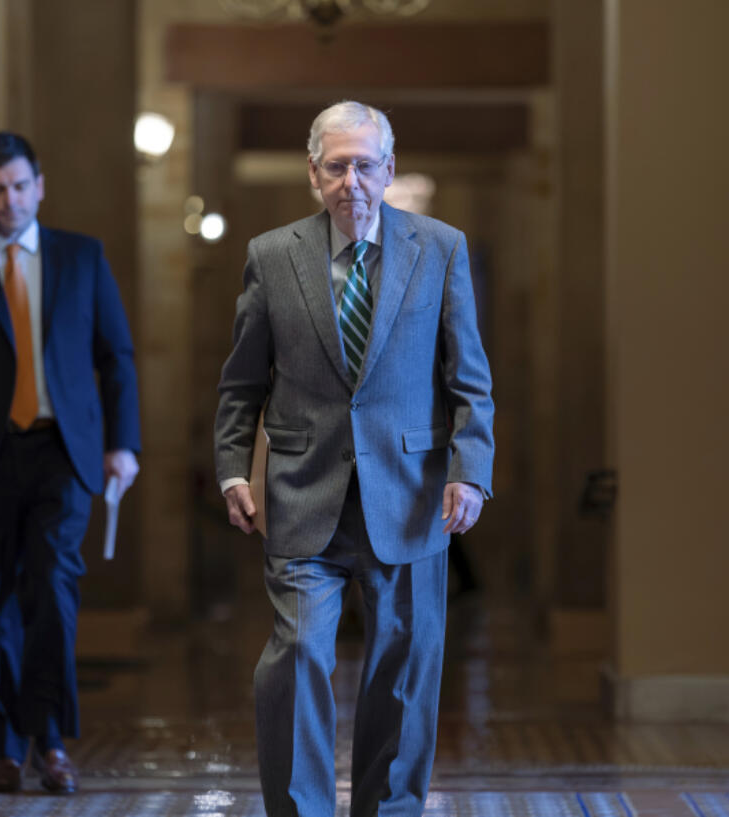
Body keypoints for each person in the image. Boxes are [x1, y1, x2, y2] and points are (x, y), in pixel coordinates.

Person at [214, 101, 495, 817]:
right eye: (336, 166)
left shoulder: (441, 248)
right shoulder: (272, 256)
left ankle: (389, 810)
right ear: (313, 173)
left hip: (409, 493)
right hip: (304, 495)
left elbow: (469, 379)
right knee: (300, 655)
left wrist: (470, 469)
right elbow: (243, 381)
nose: (352, 181)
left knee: (403, 667)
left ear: (390, 170)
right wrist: (230, 469)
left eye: (365, 165)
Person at [0, 132, 140, 795]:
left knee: (53, 592)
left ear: (39, 185)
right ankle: (5, 747)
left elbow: (117, 355)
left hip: (62, 453)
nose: (9, 200)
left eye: (19, 186)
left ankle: (49, 738)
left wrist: (122, 443)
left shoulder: (81, 255)